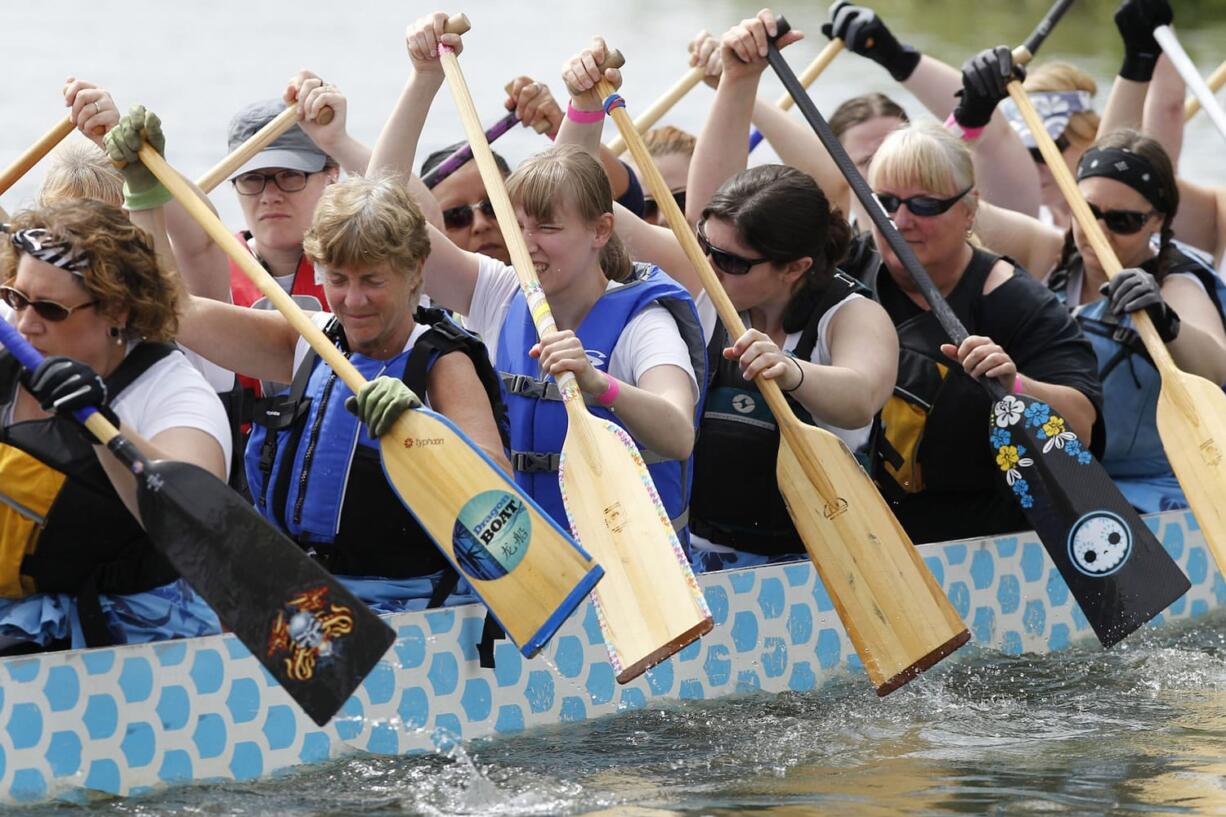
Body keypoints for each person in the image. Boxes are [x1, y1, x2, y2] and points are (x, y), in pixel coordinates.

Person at [107, 108, 511, 611]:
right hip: (304, 600)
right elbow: (171, 311)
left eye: (373, 281)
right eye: (338, 280)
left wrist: (424, 429)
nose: (354, 301)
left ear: (414, 273)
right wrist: (146, 196)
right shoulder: (309, 341)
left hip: (414, 609)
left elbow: (501, 505)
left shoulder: (443, 364)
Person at [560, 13, 897, 569]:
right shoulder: (711, 276)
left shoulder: (849, 314)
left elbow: (860, 394)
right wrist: (582, 107)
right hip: (699, 559)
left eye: (732, 261)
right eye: (704, 249)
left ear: (796, 267)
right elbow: (573, 206)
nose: (708, 268)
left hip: (822, 567)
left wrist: (793, 372)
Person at [372, 15, 705, 542]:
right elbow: (382, 202)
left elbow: (678, 431)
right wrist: (423, 79)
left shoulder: (645, 323)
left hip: (629, 564)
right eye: (519, 224)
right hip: (528, 566)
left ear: (600, 231)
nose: (525, 243)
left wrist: (602, 386)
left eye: (547, 228)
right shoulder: (499, 292)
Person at [0, 198, 230, 652]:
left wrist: (103, 425)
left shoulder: (170, 389)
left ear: (118, 310)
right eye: (16, 298)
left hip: (136, 645)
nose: (25, 324)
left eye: (50, 309)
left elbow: (201, 510)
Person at [860, 121, 1104, 543]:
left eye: (924, 205)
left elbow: (1082, 427)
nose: (901, 220)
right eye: (885, 202)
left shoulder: (1018, 303)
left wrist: (1017, 386)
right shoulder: (849, 267)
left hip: (982, 540)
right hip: (867, 525)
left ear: (969, 209)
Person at [1047, 130, 1226, 511]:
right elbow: (960, 209)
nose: (1099, 231)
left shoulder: (1176, 282)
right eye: (1087, 211)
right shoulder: (1053, 258)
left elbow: (1216, 364)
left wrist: (1166, 320)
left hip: (1161, 493)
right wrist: (970, 124)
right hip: (1070, 476)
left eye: (1123, 220)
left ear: (1156, 221)